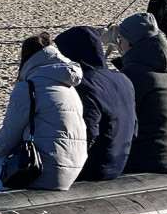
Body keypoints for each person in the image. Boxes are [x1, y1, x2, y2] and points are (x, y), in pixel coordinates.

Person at [0, 32, 87, 193]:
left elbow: (6, 142)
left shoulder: (29, 87)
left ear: (27, 59)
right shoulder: (69, 85)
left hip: (40, 171)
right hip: (72, 169)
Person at [54, 26, 137, 181]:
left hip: (94, 168)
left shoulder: (85, 84)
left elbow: (88, 133)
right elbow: (134, 129)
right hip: (120, 163)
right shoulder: (122, 78)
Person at [115, 13, 167, 174]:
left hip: (143, 160)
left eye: (121, 40)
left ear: (132, 43)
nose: (119, 46)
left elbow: (120, 122)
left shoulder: (136, 72)